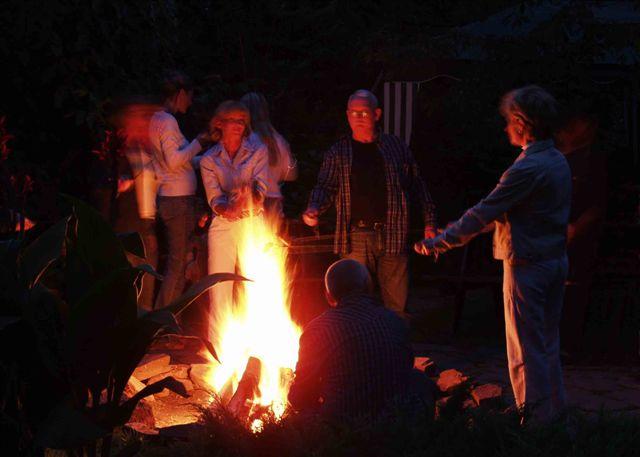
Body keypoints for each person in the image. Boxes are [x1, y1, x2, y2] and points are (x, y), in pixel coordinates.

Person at [414, 85, 571, 423]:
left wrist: (439, 242)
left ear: (521, 121)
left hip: (528, 267)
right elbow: (501, 211)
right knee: (546, 345)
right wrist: (449, 232)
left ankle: (533, 424)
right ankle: (554, 416)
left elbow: (485, 211)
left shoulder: (528, 168)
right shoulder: (554, 159)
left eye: (507, 121)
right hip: (554, 262)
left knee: (525, 352)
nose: (504, 128)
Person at [302, 89, 437, 315]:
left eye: (363, 113)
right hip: (355, 238)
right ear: (347, 115)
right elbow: (325, 186)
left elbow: (418, 185)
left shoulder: (395, 148)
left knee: (396, 307)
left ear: (376, 114)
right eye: (353, 113)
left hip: (393, 234)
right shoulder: (339, 152)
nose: (357, 118)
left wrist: (429, 222)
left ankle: (395, 348)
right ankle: (359, 347)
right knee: (354, 304)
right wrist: (314, 208)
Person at [288, 259, 415, 422]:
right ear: (370, 288)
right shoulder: (394, 320)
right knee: (420, 381)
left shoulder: (320, 329)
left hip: (344, 427)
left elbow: (299, 398)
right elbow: (406, 367)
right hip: (396, 420)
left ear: (328, 296)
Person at [199, 100, 269, 337]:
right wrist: (228, 208)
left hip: (252, 222)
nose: (239, 125)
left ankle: (261, 343)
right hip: (223, 224)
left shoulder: (257, 150)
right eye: (234, 120)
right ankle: (219, 346)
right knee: (219, 285)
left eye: (243, 121)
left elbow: (261, 188)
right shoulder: (209, 159)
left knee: (255, 282)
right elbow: (214, 198)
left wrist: (249, 197)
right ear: (220, 123)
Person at [148, 71, 210, 309]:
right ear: (181, 93)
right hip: (177, 200)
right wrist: (199, 143)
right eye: (189, 96)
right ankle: (165, 323)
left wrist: (206, 156)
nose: (190, 101)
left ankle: (165, 320)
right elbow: (175, 161)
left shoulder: (159, 120)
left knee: (178, 261)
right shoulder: (167, 121)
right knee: (178, 263)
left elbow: (182, 161)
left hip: (172, 198)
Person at [240, 92, 297, 223]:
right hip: (274, 202)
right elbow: (291, 174)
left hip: (251, 202)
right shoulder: (278, 140)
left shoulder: (246, 141)